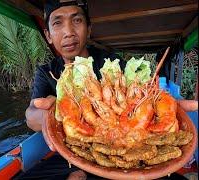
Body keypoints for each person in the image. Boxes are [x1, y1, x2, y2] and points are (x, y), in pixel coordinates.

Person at [24, 0, 198, 179]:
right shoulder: (46, 72)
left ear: (89, 29)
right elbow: (31, 115)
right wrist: (49, 114)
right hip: (71, 151)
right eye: (58, 23)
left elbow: (137, 93)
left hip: (130, 145)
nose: (68, 32)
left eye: (76, 20)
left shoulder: (110, 63)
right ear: (48, 35)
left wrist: (166, 110)